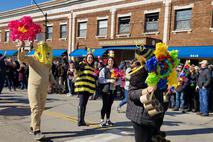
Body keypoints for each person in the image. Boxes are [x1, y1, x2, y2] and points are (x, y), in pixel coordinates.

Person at [126, 45, 169, 142]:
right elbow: (131, 94)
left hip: (156, 115)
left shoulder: (162, 72)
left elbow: (162, 96)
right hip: (141, 118)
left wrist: (167, 91)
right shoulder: (139, 72)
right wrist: (146, 90)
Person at [18, 41, 56, 140]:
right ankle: (37, 131)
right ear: (37, 48)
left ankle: (32, 126)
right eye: (40, 46)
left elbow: (49, 73)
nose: (42, 47)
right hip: (33, 87)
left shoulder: (47, 62)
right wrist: (22, 48)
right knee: (35, 108)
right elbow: (21, 58)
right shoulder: (33, 59)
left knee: (41, 109)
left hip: (44, 88)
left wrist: (53, 81)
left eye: (44, 46)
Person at [74, 52, 96, 126]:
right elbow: (77, 72)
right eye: (89, 58)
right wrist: (78, 67)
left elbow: (93, 77)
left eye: (91, 58)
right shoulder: (83, 64)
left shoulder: (93, 68)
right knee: (82, 103)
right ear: (86, 58)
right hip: (82, 87)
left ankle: (82, 120)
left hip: (88, 88)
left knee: (84, 104)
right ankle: (80, 120)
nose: (90, 59)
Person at [99, 56, 117, 127]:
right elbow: (100, 80)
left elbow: (118, 80)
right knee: (105, 105)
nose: (110, 62)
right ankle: (101, 121)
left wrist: (117, 81)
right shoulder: (104, 69)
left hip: (113, 90)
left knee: (109, 106)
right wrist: (109, 80)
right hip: (105, 90)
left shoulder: (115, 70)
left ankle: (108, 120)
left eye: (112, 61)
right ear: (107, 62)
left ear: (113, 62)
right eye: (109, 61)